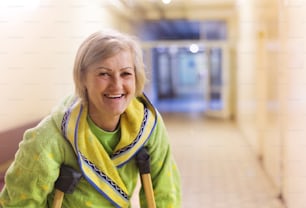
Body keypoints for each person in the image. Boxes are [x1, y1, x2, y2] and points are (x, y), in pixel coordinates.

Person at [0, 29, 181, 207]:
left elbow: (165, 193)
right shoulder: (50, 138)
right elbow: (18, 203)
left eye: (126, 73)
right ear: (82, 79)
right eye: (103, 74)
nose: (117, 85)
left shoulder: (148, 125)